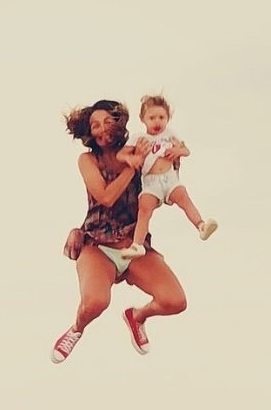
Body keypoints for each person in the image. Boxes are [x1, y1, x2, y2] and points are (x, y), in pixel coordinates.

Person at [49, 99, 189, 363]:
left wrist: (175, 153)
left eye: (106, 123)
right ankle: (76, 328)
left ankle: (136, 317)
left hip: (134, 246)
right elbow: (105, 197)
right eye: (95, 125)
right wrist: (130, 168)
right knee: (95, 303)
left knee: (175, 301)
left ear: (119, 124)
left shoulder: (138, 149)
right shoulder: (88, 159)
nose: (101, 130)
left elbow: (164, 184)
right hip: (97, 245)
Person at [120, 93, 215, 255]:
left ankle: (201, 225)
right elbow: (121, 154)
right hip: (151, 181)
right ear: (143, 119)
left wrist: (177, 151)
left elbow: (186, 151)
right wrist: (132, 158)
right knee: (144, 209)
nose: (157, 121)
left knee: (184, 197)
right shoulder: (139, 138)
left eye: (161, 117)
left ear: (168, 118)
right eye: (152, 118)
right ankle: (137, 245)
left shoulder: (170, 135)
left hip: (170, 179)